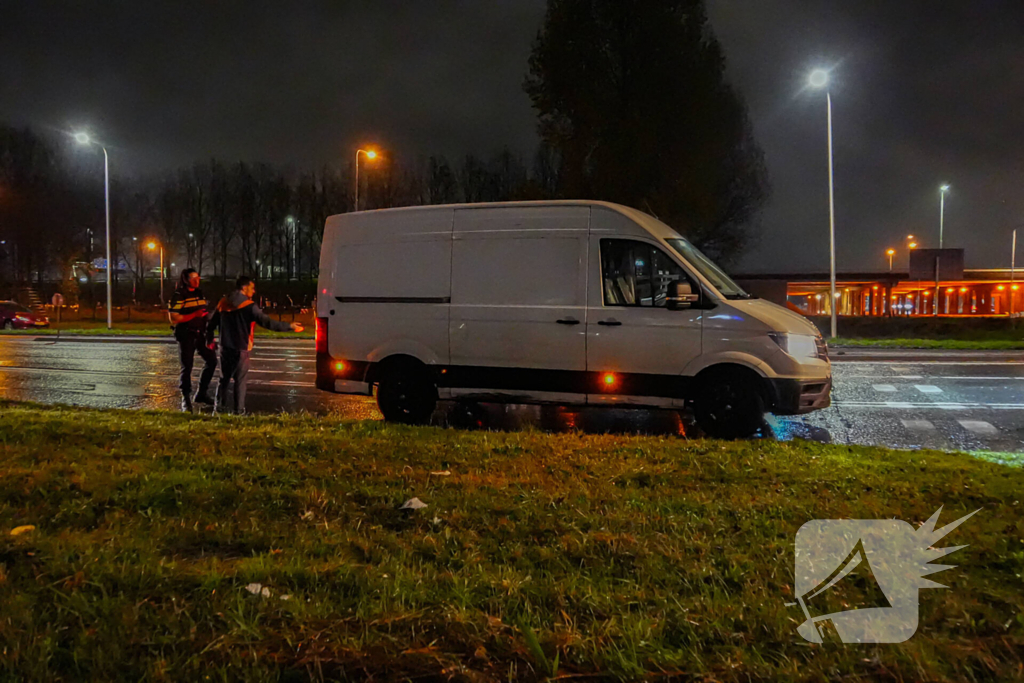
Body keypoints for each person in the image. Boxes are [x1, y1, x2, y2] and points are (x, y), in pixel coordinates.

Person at [206, 275, 304, 415]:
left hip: (225, 347)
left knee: (224, 379)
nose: (254, 292)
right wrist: (290, 326)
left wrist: (209, 339)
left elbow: (211, 323)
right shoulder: (249, 306)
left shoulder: (223, 302)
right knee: (240, 382)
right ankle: (238, 411)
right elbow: (268, 323)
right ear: (244, 288)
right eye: (252, 288)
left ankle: (219, 409)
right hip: (241, 348)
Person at [167, 268, 217, 412]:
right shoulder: (178, 295)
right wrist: (194, 315)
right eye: (193, 278)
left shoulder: (199, 293)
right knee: (187, 366)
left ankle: (201, 393)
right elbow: (174, 318)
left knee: (212, 361)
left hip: (201, 334)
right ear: (186, 280)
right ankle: (185, 398)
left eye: (198, 277)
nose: (197, 280)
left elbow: (204, 314)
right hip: (186, 334)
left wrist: (210, 333)